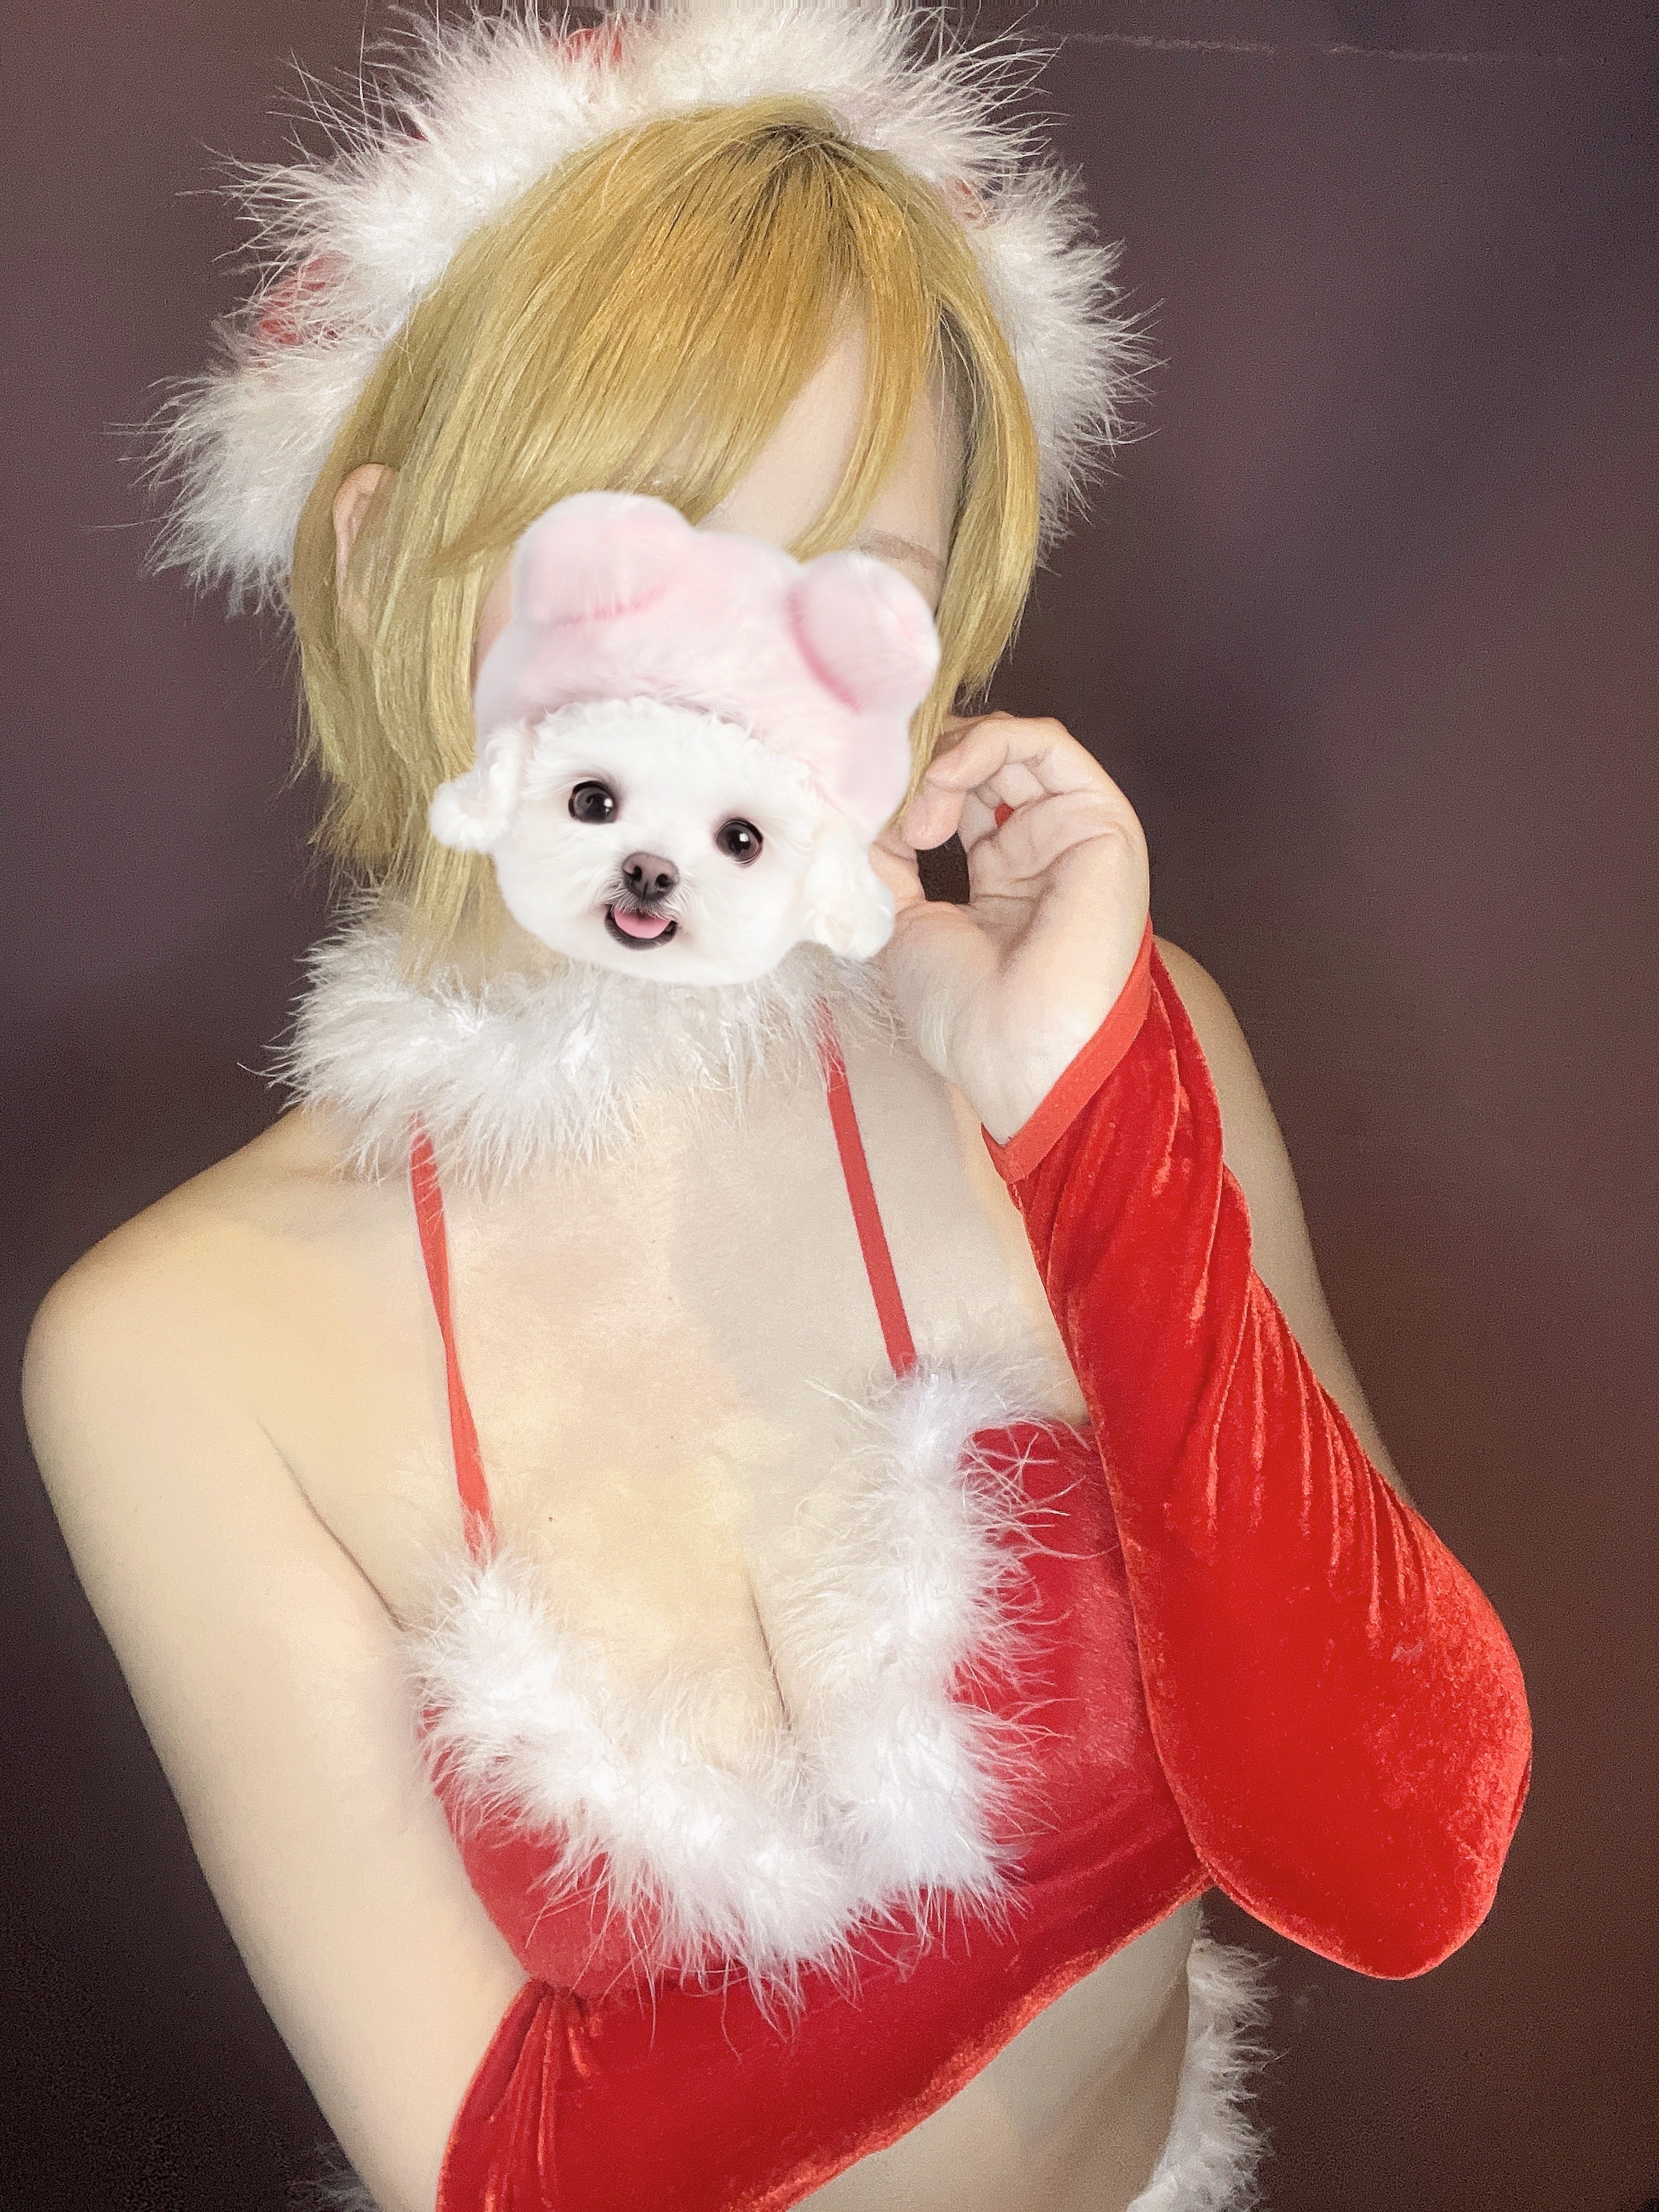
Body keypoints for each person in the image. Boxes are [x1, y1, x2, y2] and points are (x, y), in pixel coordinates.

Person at [21, 6, 1532, 2211]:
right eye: (633, 556)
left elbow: (1391, 1851)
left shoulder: (1106, 1054)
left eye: (844, 603)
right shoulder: (168, 1355)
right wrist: (1114, 1838)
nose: (715, 694)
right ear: (377, 561)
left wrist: (1089, 1127)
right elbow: (512, 2173)